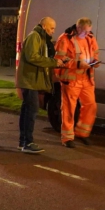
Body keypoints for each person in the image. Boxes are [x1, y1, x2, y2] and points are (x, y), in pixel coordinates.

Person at [16, 17, 63, 154]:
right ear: (44, 26)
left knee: (27, 111)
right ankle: (27, 142)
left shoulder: (39, 37)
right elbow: (32, 57)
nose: (53, 31)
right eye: (52, 28)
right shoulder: (35, 37)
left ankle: (23, 141)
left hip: (31, 80)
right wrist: (53, 62)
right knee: (31, 111)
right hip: (30, 80)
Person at [55, 17, 99, 148]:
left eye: (88, 31)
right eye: (85, 31)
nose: (87, 34)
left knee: (91, 105)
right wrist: (78, 63)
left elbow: (95, 53)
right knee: (69, 109)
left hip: (86, 78)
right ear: (78, 28)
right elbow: (59, 60)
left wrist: (95, 62)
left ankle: (81, 133)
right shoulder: (65, 39)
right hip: (71, 79)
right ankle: (67, 138)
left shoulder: (90, 37)